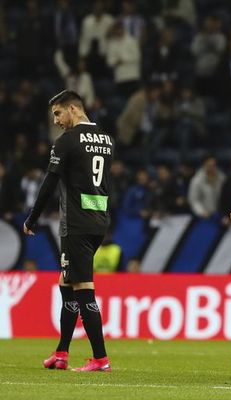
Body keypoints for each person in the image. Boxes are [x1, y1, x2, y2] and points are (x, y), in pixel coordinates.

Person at [24, 90, 114, 372]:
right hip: (98, 219)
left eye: (58, 113)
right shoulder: (105, 139)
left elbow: (49, 183)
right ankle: (61, 353)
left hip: (75, 223)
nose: (56, 120)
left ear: (73, 109)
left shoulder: (67, 142)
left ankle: (100, 358)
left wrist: (33, 217)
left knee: (82, 288)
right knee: (67, 285)